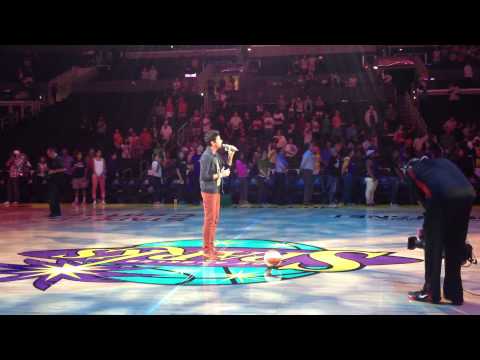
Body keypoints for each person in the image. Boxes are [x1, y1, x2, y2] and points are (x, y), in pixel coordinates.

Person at [405, 155, 476, 305]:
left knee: (433, 246)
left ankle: (431, 292)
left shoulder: (411, 170)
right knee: (455, 246)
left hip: (444, 196)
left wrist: (427, 227)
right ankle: (455, 294)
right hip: (468, 195)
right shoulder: (442, 162)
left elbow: (425, 198)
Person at [199, 130, 235, 260]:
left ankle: (211, 248)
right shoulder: (206, 156)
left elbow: (225, 165)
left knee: (214, 220)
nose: (222, 142)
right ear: (212, 142)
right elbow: (205, 176)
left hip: (216, 189)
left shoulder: (216, 154)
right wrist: (221, 175)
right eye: (219, 140)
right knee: (209, 220)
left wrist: (230, 155)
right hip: (208, 190)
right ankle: (206, 250)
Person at [46, 148, 66, 218]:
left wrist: (53, 171)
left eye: (49, 154)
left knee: (54, 197)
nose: (48, 155)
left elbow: (64, 169)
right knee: (53, 197)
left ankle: (56, 213)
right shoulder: (52, 160)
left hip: (57, 182)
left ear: (52, 152)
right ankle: (54, 212)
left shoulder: (58, 159)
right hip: (52, 181)